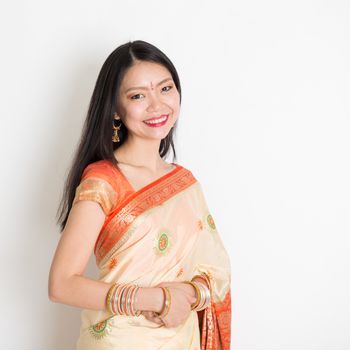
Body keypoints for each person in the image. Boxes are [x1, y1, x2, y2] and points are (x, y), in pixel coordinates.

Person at [48, 40, 231, 349]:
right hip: (120, 340)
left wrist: (191, 295)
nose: (157, 106)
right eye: (137, 96)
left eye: (165, 88)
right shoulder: (104, 181)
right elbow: (61, 284)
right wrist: (156, 298)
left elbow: (215, 270)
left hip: (180, 338)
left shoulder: (185, 183)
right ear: (116, 110)